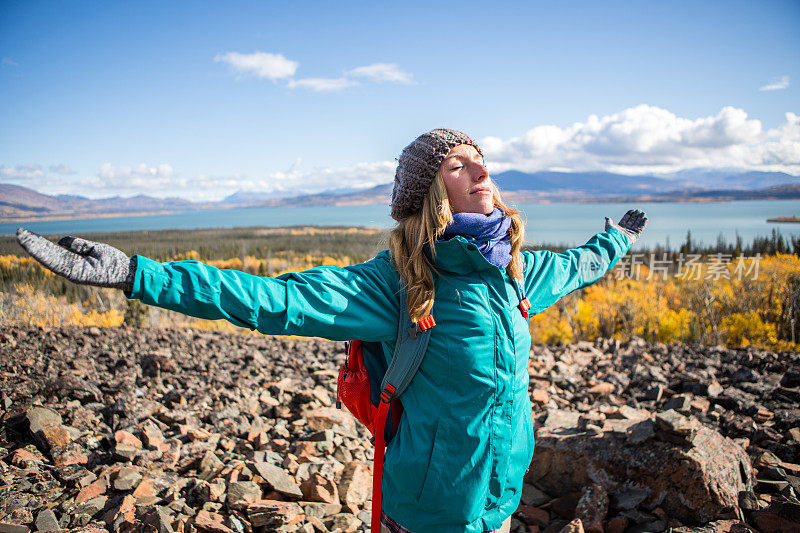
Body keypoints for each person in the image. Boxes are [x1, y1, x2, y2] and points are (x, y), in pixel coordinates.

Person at [17, 128, 647, 533]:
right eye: (459, 164)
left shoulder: (515, 273)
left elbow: (578, 265)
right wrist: (137, 274)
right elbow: (272, 298)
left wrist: (618, 236)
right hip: (428, 512)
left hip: (498, 496)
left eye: (482, 160)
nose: (482, 171)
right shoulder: (393, 285)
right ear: (431, 194)